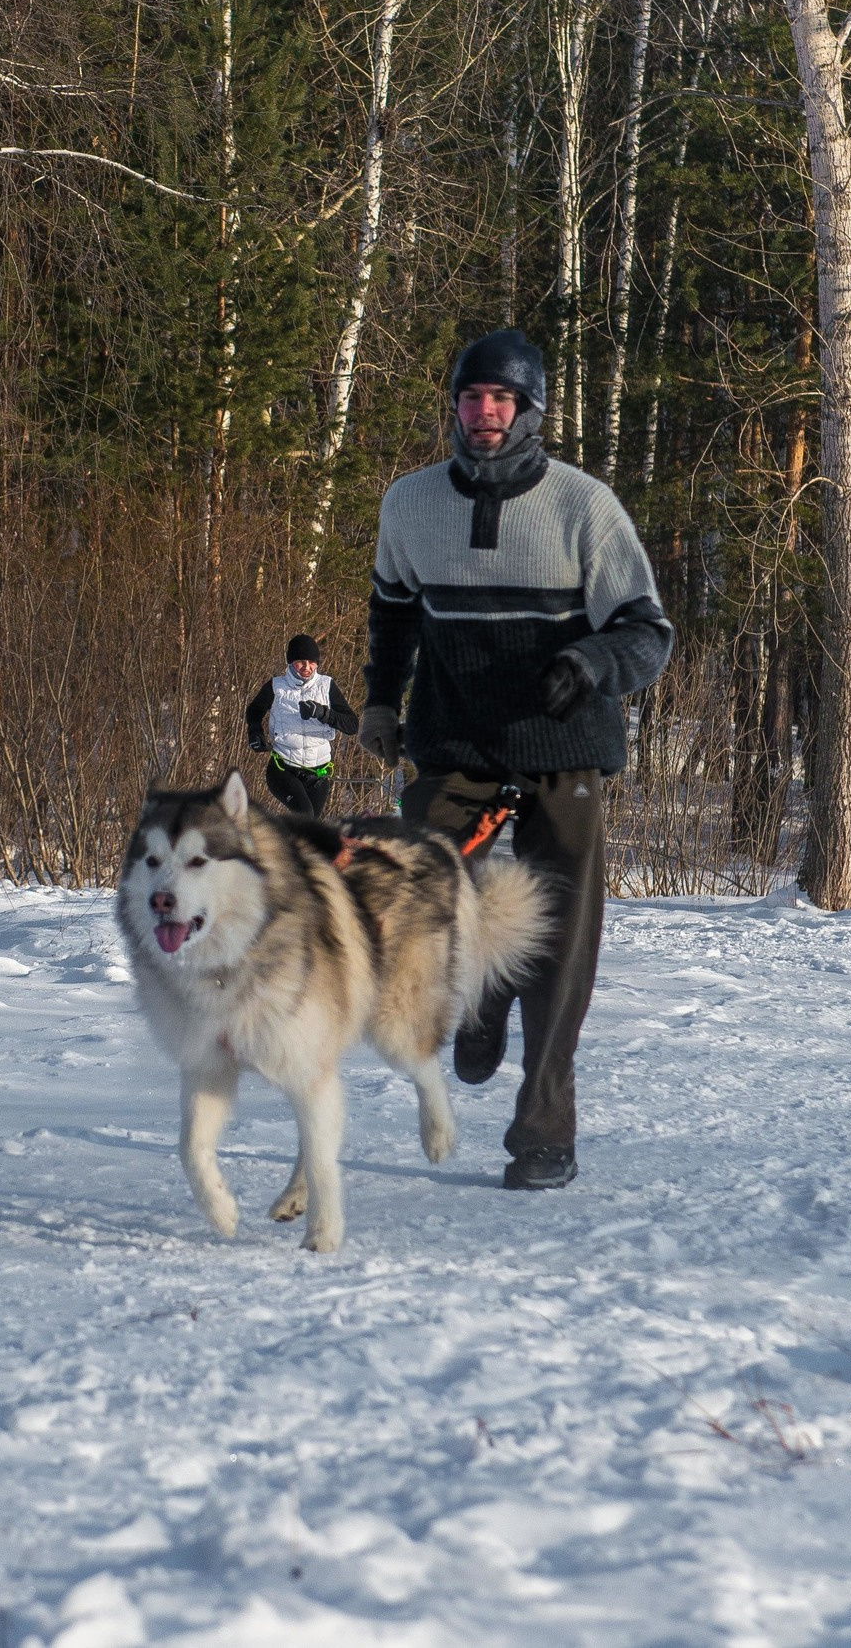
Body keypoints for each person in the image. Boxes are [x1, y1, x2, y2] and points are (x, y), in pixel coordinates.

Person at [355, 328, 673, 1192]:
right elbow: (392, 616)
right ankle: (478, 995)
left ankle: (543, 1131)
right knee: (418, 898)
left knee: (561, 943)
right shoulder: (410, 504)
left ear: (530, 411)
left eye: (502, 399)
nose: (484, 413)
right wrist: (383, 701)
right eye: (471, 398)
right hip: (453, 740)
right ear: (453, 409)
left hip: (564, 746)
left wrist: (594, 663)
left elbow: (649, 630)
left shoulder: (584, 505)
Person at [245, 634, 358, 819]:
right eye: (301, 662)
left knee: (311, 827)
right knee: (305, 815)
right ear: (290, 663)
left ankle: (285, 845)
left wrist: (323, 713)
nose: (307, 667)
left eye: (312, 662)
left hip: (318, 774)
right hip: (284, 770)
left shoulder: (326, 685)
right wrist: (255, 732)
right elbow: (254, 710)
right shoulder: (276, 687)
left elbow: (352, 724)